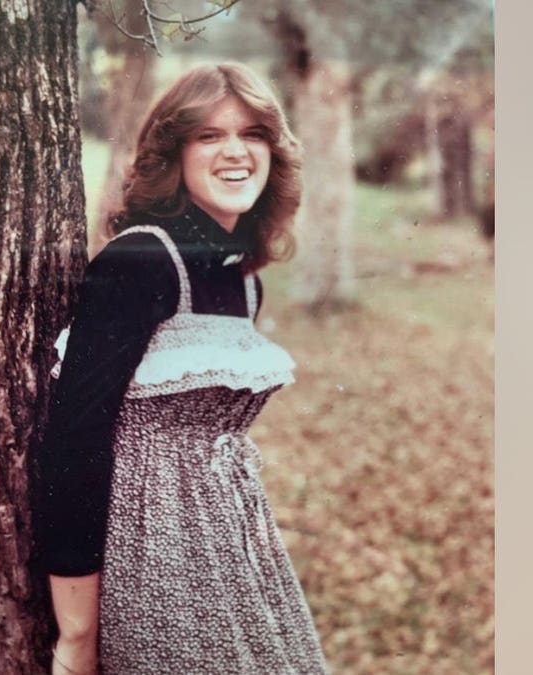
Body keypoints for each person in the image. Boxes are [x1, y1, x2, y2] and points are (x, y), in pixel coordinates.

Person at [34, 62, 328, 675]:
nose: (235, 152)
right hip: (152, 556)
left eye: (253, 134)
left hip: (234, 544)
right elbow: (73, 443)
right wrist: (78, 635)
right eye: (210, 135)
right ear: (174, 152)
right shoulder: (140, 260)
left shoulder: (240, 278)